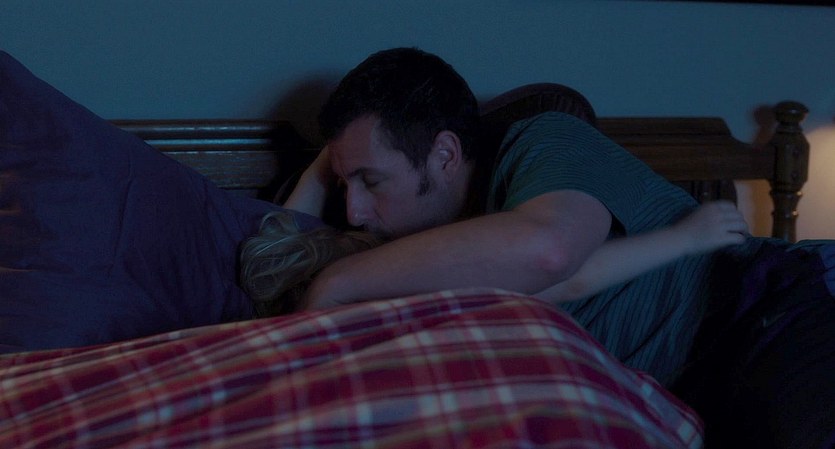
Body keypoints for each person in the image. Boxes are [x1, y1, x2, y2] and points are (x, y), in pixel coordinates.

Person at [267, 47, 752, 387]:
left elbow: (550, 250)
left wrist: (339, 281)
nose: (354, 211)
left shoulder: (545, 141)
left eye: (371, 181)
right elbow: (275, 262)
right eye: (343, 184)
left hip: (755, 315)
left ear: (445, 155)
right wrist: (323, 170)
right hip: (690, 389)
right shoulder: (409, 256)